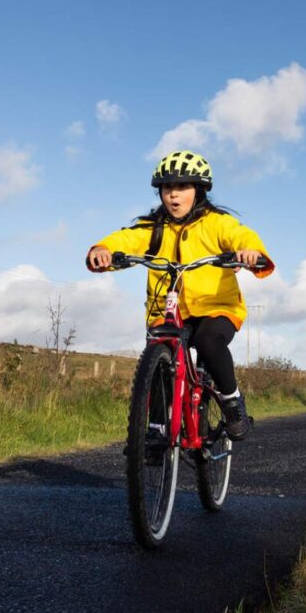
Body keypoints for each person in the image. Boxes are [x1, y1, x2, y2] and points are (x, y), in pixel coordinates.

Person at [85, 150, 274, 441]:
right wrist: (103, 250)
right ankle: (157, 429)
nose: (173, 196)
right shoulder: (154, 227)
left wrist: (250, 253)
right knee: (160, 357)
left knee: (208, 342)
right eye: (167, 188)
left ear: (198, 190)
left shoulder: (216, 223)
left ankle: (231, 401)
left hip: (216, 308)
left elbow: (240, 236)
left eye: (182, 187)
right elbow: (127, 238)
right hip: (168, 311)